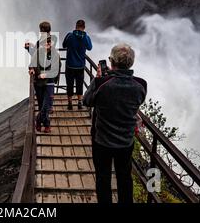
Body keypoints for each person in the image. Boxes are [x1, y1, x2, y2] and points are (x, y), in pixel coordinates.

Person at [83, 43, 147, 204]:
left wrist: (97, 79)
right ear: (131, 63)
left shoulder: (102, 84)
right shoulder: (141, 85)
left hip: (102, 141)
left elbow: (87, 101)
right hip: (126, 142)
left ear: (111, 62)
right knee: (124, 178)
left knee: (103, 178)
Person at [25, 21, 60, 133]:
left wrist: (47, 74)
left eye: (49, 44)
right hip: (39, 82)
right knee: (41, 104)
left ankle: (39, 121)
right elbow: (32, 63)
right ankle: (43, 124)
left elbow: (56, 69)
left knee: (45, 105)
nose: (47, 45)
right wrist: (30, 69)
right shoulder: (38, 51)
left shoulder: (55, 55)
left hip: (49, 82)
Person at [62, 19, 92, 110]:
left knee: (69, 84)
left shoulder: (69, 36)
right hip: (80, 65)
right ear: (84, 27)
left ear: (76, 26)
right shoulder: (86, 37)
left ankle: (70, 103)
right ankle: (79, 103)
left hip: (70, 65)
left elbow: (64, 45)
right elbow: (90, 48)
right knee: (79, 84)